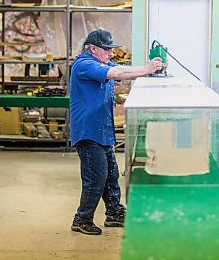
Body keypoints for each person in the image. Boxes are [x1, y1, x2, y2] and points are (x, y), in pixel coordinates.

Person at [69, 28, 163, 235]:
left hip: (102, 130)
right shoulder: (84, 65)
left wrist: (146, 72)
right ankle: (82, 219)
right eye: (107, 49)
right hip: (88, 132)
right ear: (93, 48)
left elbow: (121, 69)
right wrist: (147, 68)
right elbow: (116, 73)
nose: (111, 53)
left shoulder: (102, 62)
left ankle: (114, 213)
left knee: (111, 175)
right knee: (96, 177)